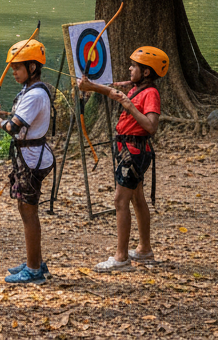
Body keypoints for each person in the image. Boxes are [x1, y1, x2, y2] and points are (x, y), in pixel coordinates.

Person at [80, 46, 168, 271]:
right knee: (137, 199)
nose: (130, 69)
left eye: (135, 66)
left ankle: (121, 258)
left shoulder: (151, 94)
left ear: (146, 72)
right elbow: (113, 91)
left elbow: (151, 126)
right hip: (129, 150)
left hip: (135, 152)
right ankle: (144, 250)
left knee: (120, 201)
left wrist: (128, 105)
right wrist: (92, 86)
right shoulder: (137, 87)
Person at [0, 39, 54, 284]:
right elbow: (22, 118)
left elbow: (14, 128)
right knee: (26, 210)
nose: (13, 72)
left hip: (32, 160)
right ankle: (34, 260)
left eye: (18, 67)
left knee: (29, 211)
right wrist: (2, 113)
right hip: (31, 157)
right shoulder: (32, 91)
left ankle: (34, 269)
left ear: (32, 67)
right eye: (12, 68)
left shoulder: (34, 94)